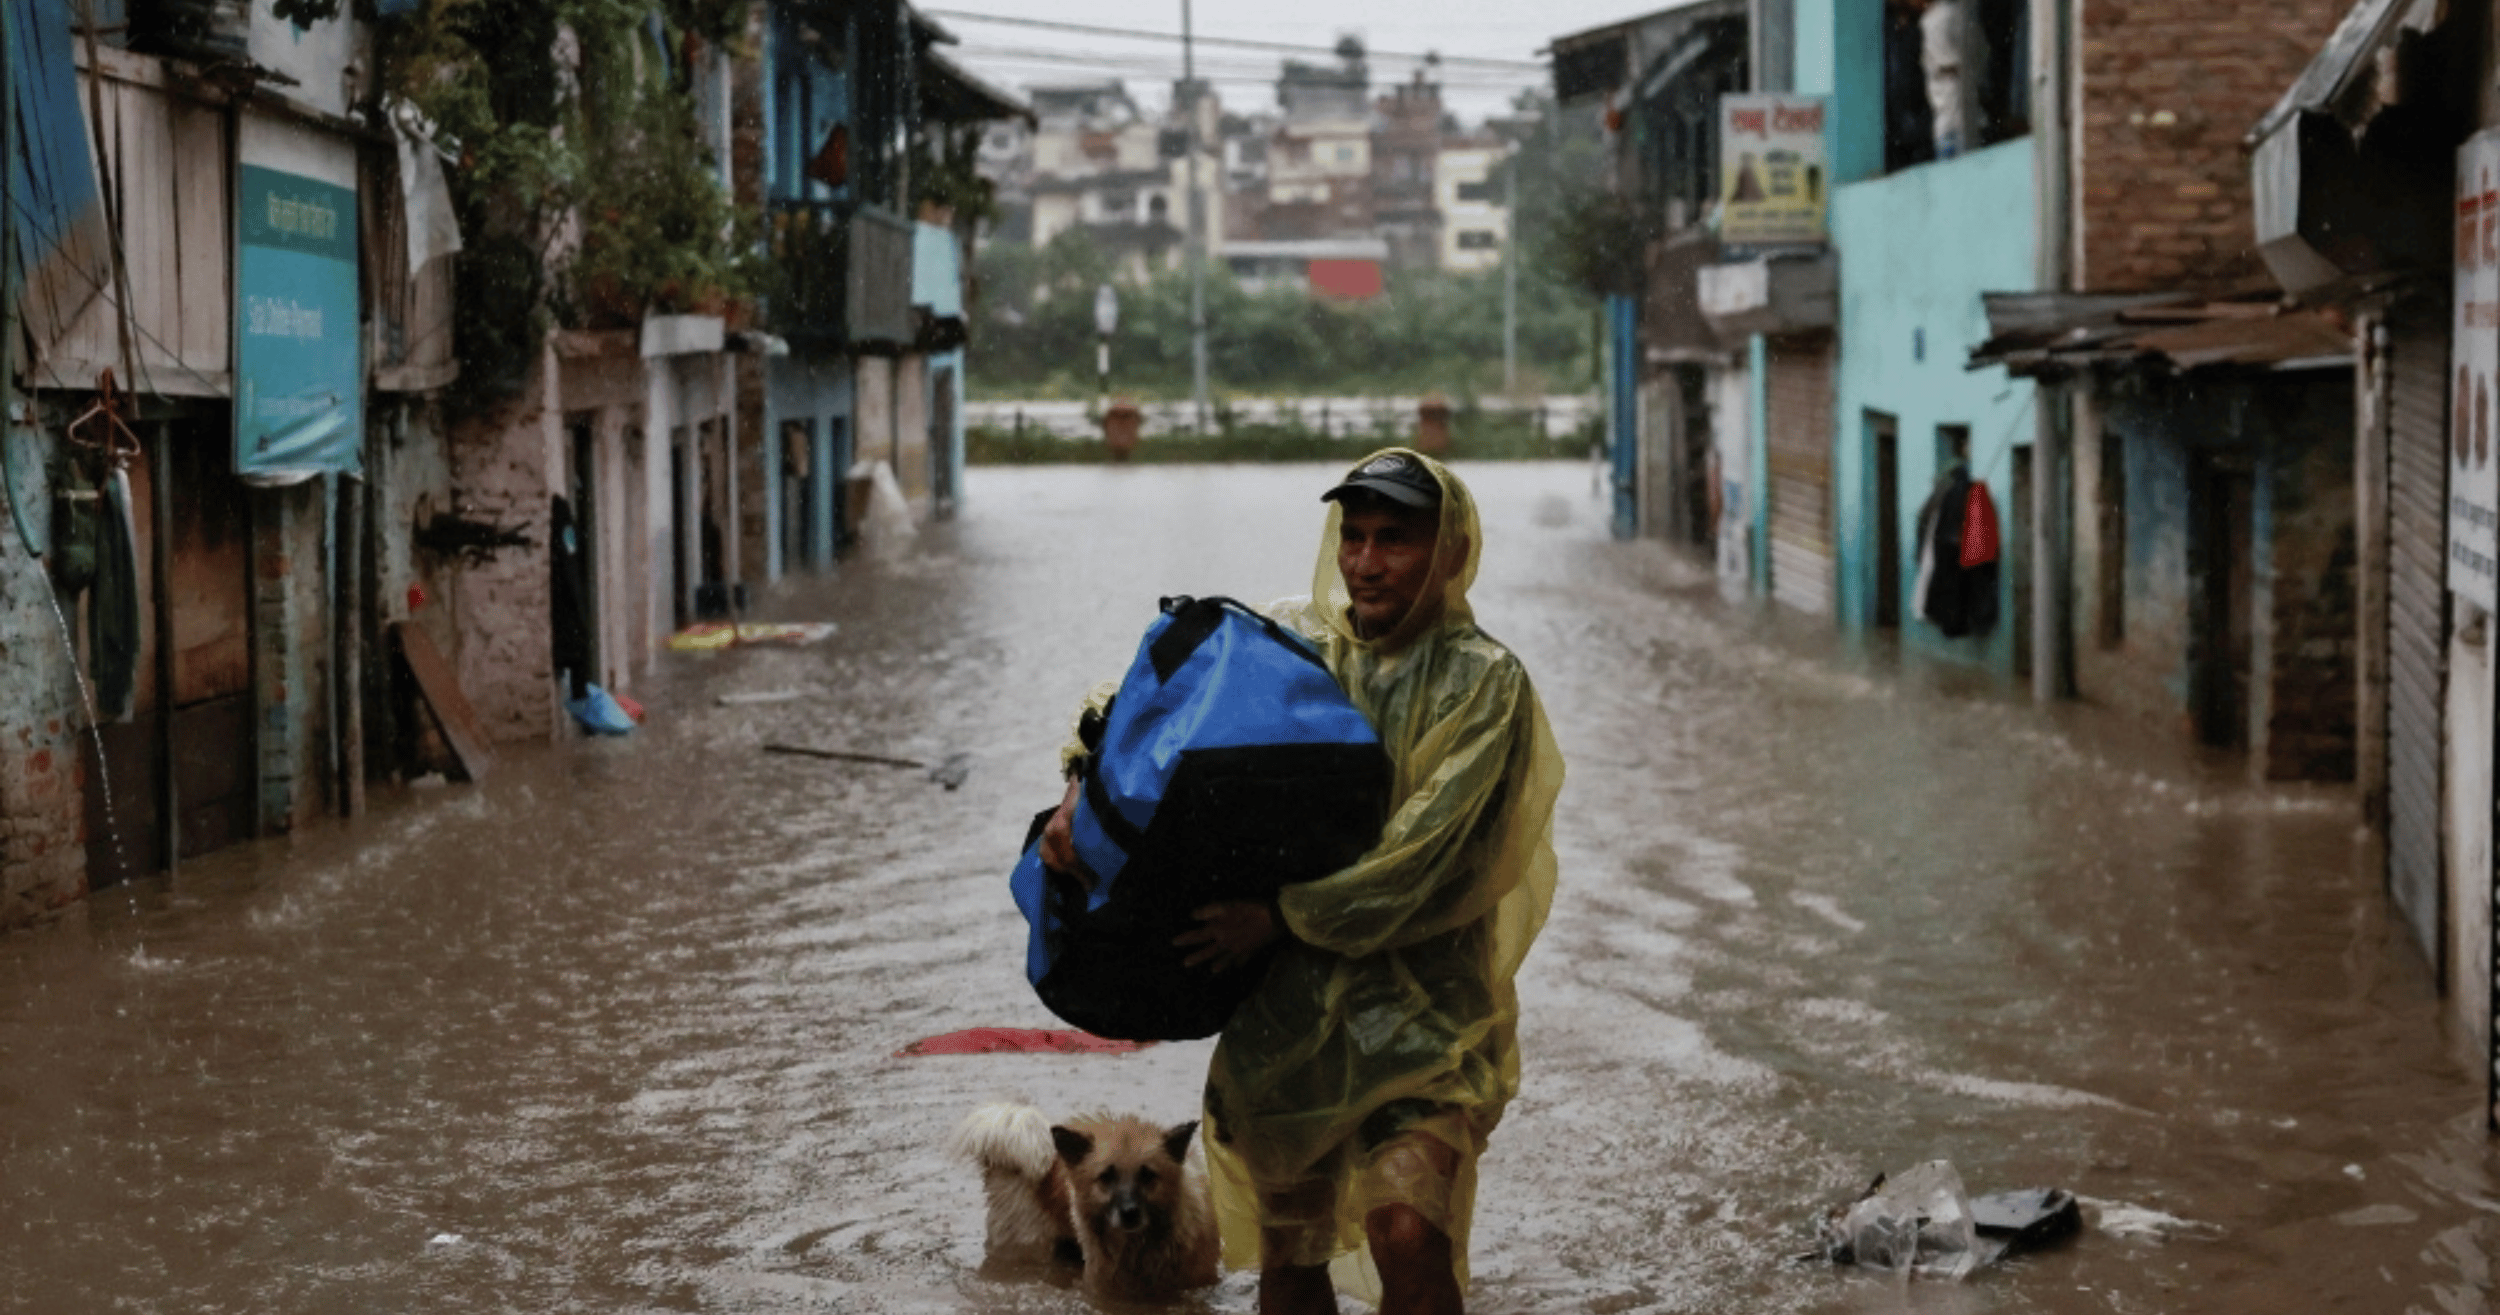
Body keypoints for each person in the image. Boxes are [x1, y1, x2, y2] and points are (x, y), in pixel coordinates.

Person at [1040, 448, 1564, 1314]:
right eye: (1353, 535)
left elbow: (1422, 861)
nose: (1364, 560)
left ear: (1453, 552)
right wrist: (1079, 786)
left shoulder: (1485, 684)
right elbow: (1140, 697)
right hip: (1284, 1024)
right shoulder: (1296, 642)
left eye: (1394, 538)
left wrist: (1281, 915)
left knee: (1409, 1231)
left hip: (1424, 1023)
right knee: (1289, 1263)